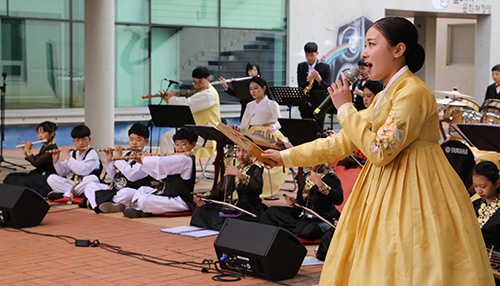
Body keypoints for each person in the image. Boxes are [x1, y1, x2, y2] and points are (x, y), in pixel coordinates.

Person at [262, 16, 494, 285]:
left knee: (410, 259)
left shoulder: (413, 92)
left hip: (417, 188)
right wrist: (284, 157)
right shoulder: (387, 94)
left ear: (398, 50)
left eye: (372, 44)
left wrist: (346, 108)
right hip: (383, 185)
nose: (364, 53)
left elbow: (379, 151)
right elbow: (342, 142)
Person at [123, 128, 197, 218]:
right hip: (169, 195)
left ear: (193, 145)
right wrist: (141, 162)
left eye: (183, 144)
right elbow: (160, 174)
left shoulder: (185, 159)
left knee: (145, 200)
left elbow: (161, 163)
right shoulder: (178, 158)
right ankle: (142, 210)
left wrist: (145, 158)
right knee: (142, 190)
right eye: (177, 145)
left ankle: (142, 209)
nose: (179, 148)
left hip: (179, 200)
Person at [190, 145, 266, 230]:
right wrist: (205, 196)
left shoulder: (256, 170)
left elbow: (257, 188)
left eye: (244, 151)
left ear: (251, 153)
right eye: (238, 151)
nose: (240, 155)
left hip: (252, 209)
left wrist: (239, 175)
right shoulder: (235, 169)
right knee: (202, 211)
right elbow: (221, 191)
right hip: (239, 206)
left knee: (230, 223)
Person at [236, 76, 290, 197]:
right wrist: (238, 130)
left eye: (256, 88)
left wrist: (274, 127)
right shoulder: (249, 105)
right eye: (251, 89)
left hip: (268, 132)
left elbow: (279, 121)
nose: (253, 92)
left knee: (267, 157)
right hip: (253, 132)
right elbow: (244, 125)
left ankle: (264, 185)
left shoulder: (272, 104)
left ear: (264, 88)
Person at [259, 163, 343, 240]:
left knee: (309, 230)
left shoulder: (331, 177)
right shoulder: (305, 177)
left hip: (321, 219)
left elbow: (338, 199)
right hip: (304, 218)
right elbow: (300, 203)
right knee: (271, 212)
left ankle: (288, 231)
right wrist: (294, 202)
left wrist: (320, 184)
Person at [83, 123, 153, 214]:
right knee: (90, 185)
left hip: (133, 189)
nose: (134, 143)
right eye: (131, 139)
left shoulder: (147, 158)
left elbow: (132, 175)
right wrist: (109, 161)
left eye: (138, 140)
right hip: (117, 189)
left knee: (126, 193)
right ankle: (98, 206)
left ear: (146, 141)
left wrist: (118, 160)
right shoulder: (126, 154)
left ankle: (96, 202)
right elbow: (114, 177)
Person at [159, 66, 221, 158]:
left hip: (206, 134)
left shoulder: (209, 94)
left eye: (200, 82)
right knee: (166, 137)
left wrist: (171, 99)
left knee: (171, 139)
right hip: (194, 131)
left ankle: (174, 164)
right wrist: (169, 100)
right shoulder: (202, 93)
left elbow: (187, 104)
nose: (197, 86)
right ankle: (169, 165)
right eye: (195, 83)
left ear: (208, 79)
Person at [46, 124, 102, 201]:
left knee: (91, 179)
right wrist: (56, 161)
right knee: (51, 178)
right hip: (76, 185)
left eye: (84, 139)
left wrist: (68, 158)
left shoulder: (92, 153)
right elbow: (63, 172)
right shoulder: (73, 153)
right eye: (77, 140)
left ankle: (65, 194)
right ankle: (75, 193)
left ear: (89, 139)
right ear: (73, 141)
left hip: (87, 184)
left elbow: (82, 170)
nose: (81, 143)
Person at [3, 121, 58, 197]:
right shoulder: (45, 147)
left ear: (51, 133)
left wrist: (28, 151)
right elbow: (36, 159)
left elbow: (36, 163)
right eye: (38, 133)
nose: (40, 136)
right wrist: (25, 150)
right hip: (40, 175)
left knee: (20, 180)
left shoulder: (52, 149)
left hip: (46, 178)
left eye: (43, 133)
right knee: (12, 177)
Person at [472, 161, 500, 285]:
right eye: (475, 186)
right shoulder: (474, 204)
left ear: (497, 184)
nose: (479, 190)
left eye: (483, 186)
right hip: (477, 261)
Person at [297, 42, 331, 131]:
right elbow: (300, 84)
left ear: (317, 53)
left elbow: (328, 85)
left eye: (312, 55)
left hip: (319, 104)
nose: (309, 58)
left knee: (318, 129)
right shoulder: (301, 66)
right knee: (305, 129)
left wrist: (319, 79)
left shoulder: (325, 67)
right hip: (305, 104)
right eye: (307, 55)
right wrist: (307, 81)